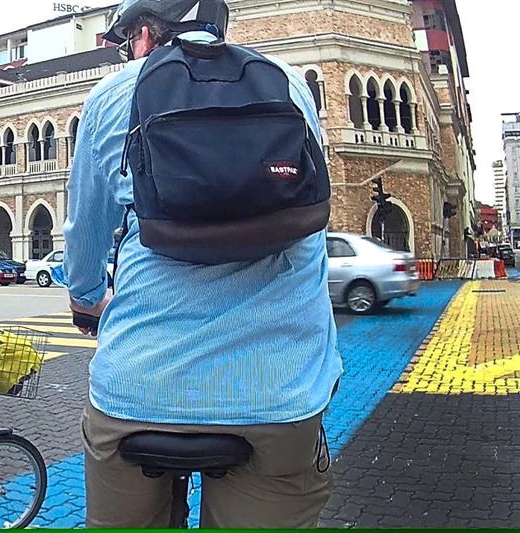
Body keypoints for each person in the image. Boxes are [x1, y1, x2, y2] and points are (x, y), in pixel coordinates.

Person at [62, 0, 343, 528]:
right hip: (278, 393)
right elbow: (313, 217)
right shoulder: (288, 85)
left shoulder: (110, 98)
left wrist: (85, 300)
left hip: (138, 390)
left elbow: (86, 233)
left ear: (145, 32)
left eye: (127, 43)